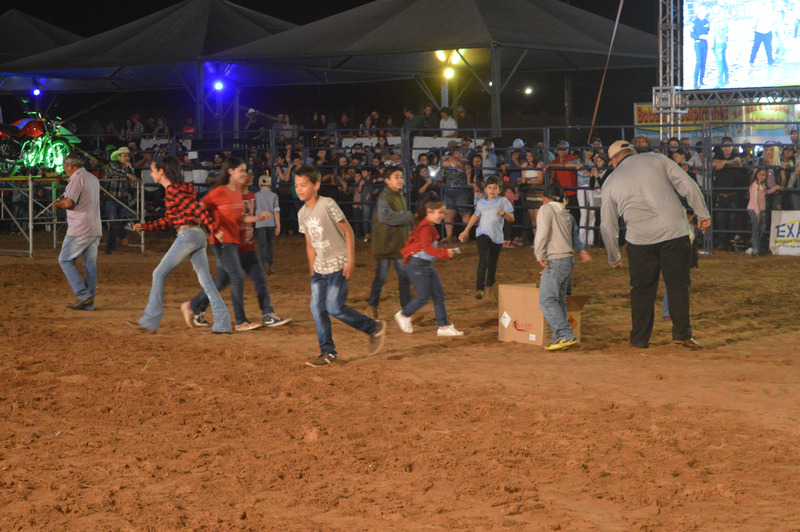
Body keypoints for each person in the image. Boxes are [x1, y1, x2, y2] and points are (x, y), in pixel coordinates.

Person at [600, 140, 711, 349]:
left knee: (641, 290)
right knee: (678, 286)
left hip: (639, 239)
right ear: (632, 151)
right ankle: (682, 334)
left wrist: (613, 256)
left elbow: (607, 225)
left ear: (614, 160)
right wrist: (702, 214)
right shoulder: (657, 159)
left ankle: (639, 338)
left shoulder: (611, 181)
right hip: (673, 232)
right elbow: (687, 184)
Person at [126, 156, 232, 334]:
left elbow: (196, 208)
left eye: (153, 170)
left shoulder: (173, 191)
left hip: (188, 236)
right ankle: (223, 323)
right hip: (197, 235)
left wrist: (215, 229)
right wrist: (145, 226)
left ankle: (149, 322)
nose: (151, 174)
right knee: (206, 281)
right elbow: (171, 219)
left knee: (158, 273)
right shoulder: (180, 189)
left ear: (161, 172)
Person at [295, 165, 387, 367]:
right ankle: (327, 352)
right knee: (317, 309)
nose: (299, 189)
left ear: (316, 185)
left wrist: (350, 259)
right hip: (320, 269)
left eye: (303, 185)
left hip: (337, 264)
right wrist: (313, 272)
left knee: (334, 308)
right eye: (296, 185)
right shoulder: (302, 213)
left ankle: (373, 328)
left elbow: (348, 231)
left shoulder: (327, 204)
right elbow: (310, 244)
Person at [189, 170, 290, 328]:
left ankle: (267, 314)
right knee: (227, 282)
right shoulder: (230, 195)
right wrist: (210, 232)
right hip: (230, 246)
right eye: (244, 175)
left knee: (258, 279)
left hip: (246, 246)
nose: (248, 177)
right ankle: (201, 307)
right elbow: (207, 213)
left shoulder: (250, 196)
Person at [394, 194, 464, 337]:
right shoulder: (426, 227)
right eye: (440, 213)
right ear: (429, 212)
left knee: (438, 295)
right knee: (425, 295)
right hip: (418, 265)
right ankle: (404, 315)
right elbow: (427, 248)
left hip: (424, 265)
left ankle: (443, 327)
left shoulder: (427, 225)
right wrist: (444, 253)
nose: (443, 216)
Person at [534, 183, 591, 351]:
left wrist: (540, 255)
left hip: (555, 260)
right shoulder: (567, 213)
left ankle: (565, 334)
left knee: (546, 299)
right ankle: (559, 338)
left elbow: (542, 234)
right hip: (567, 260)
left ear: (545, 198)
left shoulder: (546, 210)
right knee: (559, 300)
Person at [53, 154, 102, 311]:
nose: (65, 170)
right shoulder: (92, 178)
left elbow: (68, 202)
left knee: (65, 260)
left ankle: (83, 295)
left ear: (70, 166)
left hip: (80, 227)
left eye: (65, 167)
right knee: (90, 265)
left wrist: (58, 204)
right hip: (95, 226)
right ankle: (89, 302)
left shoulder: (77, 178)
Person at [366, 167, 414, 319]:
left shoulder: (397, 195)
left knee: (403, 277)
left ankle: (406, 311)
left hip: (397, 243)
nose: (400, 180)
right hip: (386, 244)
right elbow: (387, 218)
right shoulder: (385, 197)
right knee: (382, 277)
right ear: (387, 181)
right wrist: (410, 216)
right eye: (396, 177)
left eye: (400, 176)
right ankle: (372, 306)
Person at [459, 176, 514, 300]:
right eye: (490, 188)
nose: (492, 190)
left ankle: (489, 286)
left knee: (492, 263)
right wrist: (466, 230)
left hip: (497, 237)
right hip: (482, 234)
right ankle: (480, 288)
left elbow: (512, 218)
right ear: (485, 189)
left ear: (499, 190)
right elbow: (475, 216)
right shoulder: (481, 203)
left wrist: (505, 213)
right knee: (484, 260)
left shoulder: (503, 201)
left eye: (495, 188)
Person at [103, 146, 138, 255]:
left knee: (115, 223)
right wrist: (129, 174)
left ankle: (110, 248)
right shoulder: (112, 165)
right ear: (118, 157)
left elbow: (132, 182)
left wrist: (131, 172)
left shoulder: (126, 169)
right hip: (110, 198)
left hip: (121, 198)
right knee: (114, 222)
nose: (127, 158)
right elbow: (117, 172)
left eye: (127, 156)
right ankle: (120, 237)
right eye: (125, 156)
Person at [747, 167, 782, 256]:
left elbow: (766, 192)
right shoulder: (755, 185)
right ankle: (755, 249)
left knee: (759, 229)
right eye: (760, 174)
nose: (762, 176)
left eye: (763, 175)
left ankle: (757, 248)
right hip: (755, 209)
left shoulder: (760, 185)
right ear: (756, 175)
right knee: (757, 229)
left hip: (759, 209)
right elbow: (754, 199)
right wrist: (757, 212)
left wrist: (775, 188)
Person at [255, 174, 280, 274]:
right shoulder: (274, 196)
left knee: (262, 245)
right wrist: (278, 225)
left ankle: (263, 264)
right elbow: (276, 211)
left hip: (260, 223)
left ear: (259, 185)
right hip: (271, 223)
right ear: (270, 185)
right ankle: (269, 265)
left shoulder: (255, 195)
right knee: (270, 245)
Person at [691, 6, 710, 88]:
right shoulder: (694, 22)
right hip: (698, 43)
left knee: (703, 62)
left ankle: (701, 80)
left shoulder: (706, 21)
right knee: (698, 62)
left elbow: (708, 31)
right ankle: (695, 82)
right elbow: (692, 34)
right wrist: (699, 36)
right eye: (702, 12)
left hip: (705, 43)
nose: (704, 14)